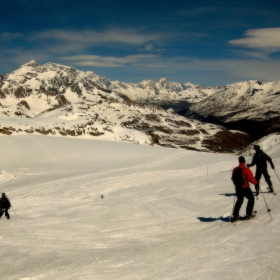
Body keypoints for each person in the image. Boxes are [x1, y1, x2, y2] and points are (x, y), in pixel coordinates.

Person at [231, 156, 258, 222]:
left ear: (239, 161)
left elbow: (232, 178)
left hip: (238, 188)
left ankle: (235, 215)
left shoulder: (235, 169)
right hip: (245, 187)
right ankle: (248, 214)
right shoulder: (246, 169)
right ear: (244, 161)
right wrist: (256, 182)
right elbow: (251, 179)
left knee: (239, 200)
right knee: (251, 199)